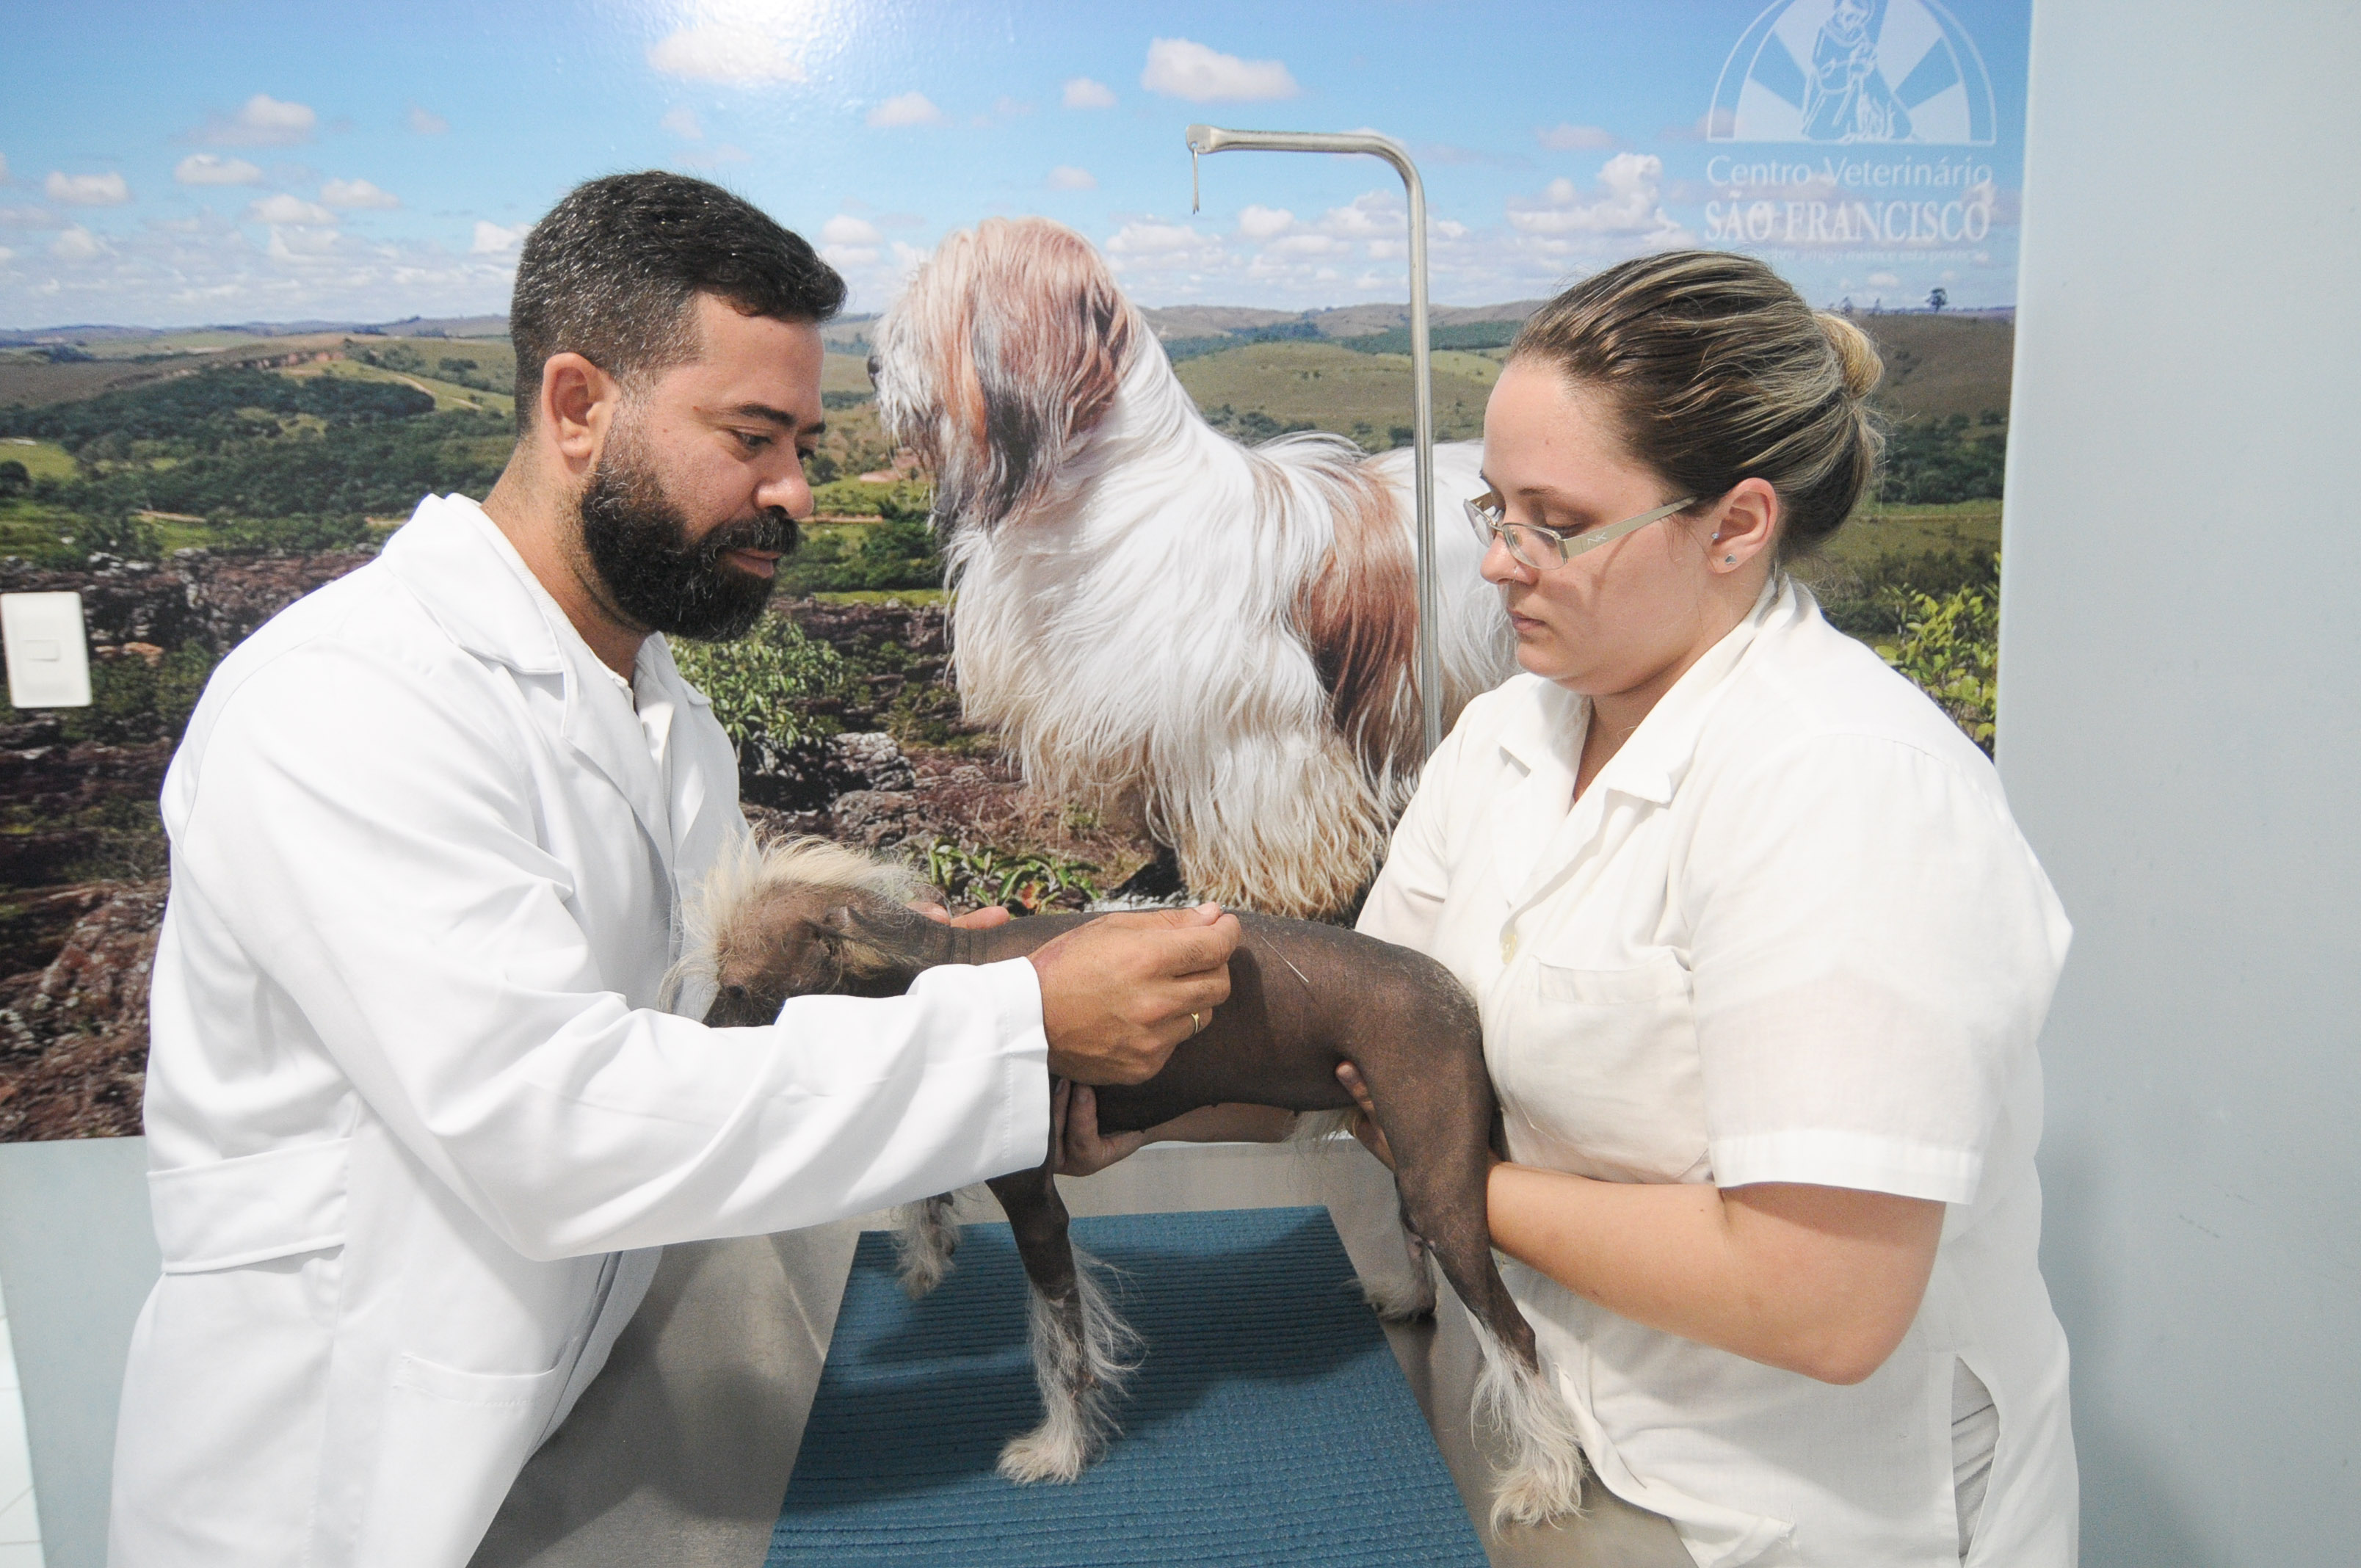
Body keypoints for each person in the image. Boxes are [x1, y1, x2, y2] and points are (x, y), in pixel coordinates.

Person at [107, 171, 1240, 1568]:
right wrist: (1017, 1030)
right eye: (752, 438)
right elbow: (556, 1126)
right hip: (341, 1492)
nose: (797, 493)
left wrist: (942, 987)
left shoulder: (659, 714)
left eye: (807, 442)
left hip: (567, 1427)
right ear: (578, 407)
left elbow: (728, 1002)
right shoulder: (349, 704)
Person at [1338, 252, 2074, 1565]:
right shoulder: (1512, 734)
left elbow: (1822, 1300)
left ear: (1735, 525)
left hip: (1788, 1511)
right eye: (1492, 510)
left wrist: (1449, 1179)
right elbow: (1374, 1020)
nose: (1502, 564)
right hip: (1555, 1437)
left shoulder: (1845, 787)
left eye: (1553, 524)